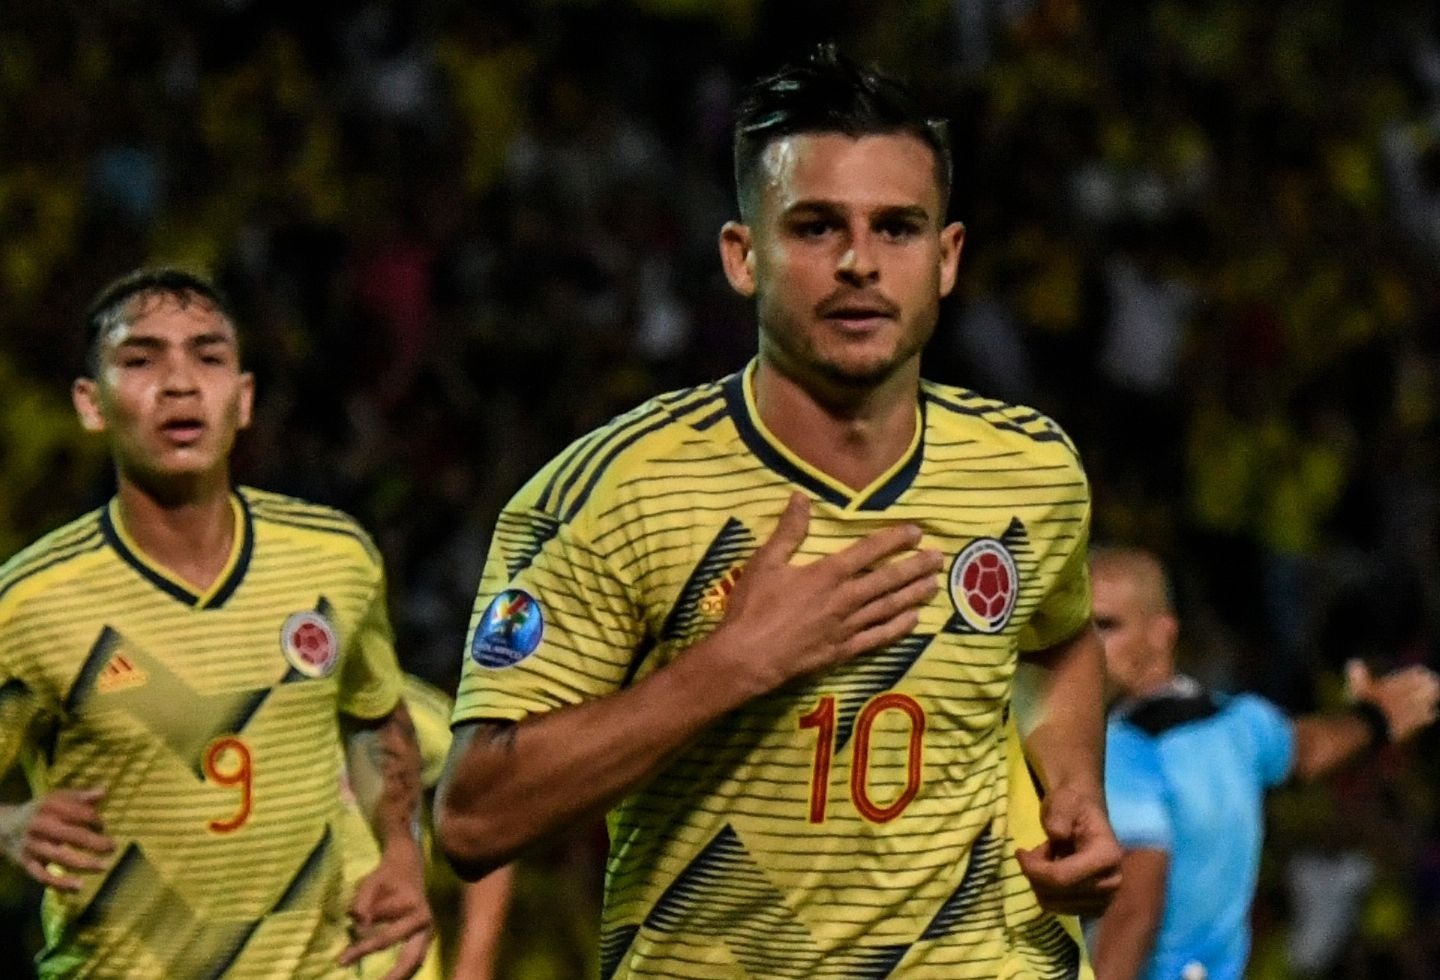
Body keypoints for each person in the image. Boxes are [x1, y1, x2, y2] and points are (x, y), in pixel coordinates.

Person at [436, 45, 1121, 977]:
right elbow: (473, 817)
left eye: (898, 229)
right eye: (814, 227)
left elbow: (1060, 640)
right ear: (742, 256)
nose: (858, 264)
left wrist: (1073, 786)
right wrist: (730, 666)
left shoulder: (1030, 468)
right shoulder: (616, 493)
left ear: (947, 258)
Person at [0, 268, 433, 978]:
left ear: (244, 400)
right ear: (90, 405)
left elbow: (373, 716)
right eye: (140, 360)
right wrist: (9, 824)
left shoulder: (337, 557)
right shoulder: (30, 604)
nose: (180, 383)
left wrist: (401, 852)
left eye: (208, 357)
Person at [1086, 546, 1440, 980]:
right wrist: (1375, 719)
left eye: (1106, 626)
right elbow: (1308, 750)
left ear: (1162, 632)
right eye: (1076, 625)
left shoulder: (1125, 748)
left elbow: (1135, 903)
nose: (1087, 645)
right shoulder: (1239, 723)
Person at [341, 674, 514, 980]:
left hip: (396, 969)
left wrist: (473, 967)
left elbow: (491, 815)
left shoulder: (405, 713)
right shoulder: (246, 714)